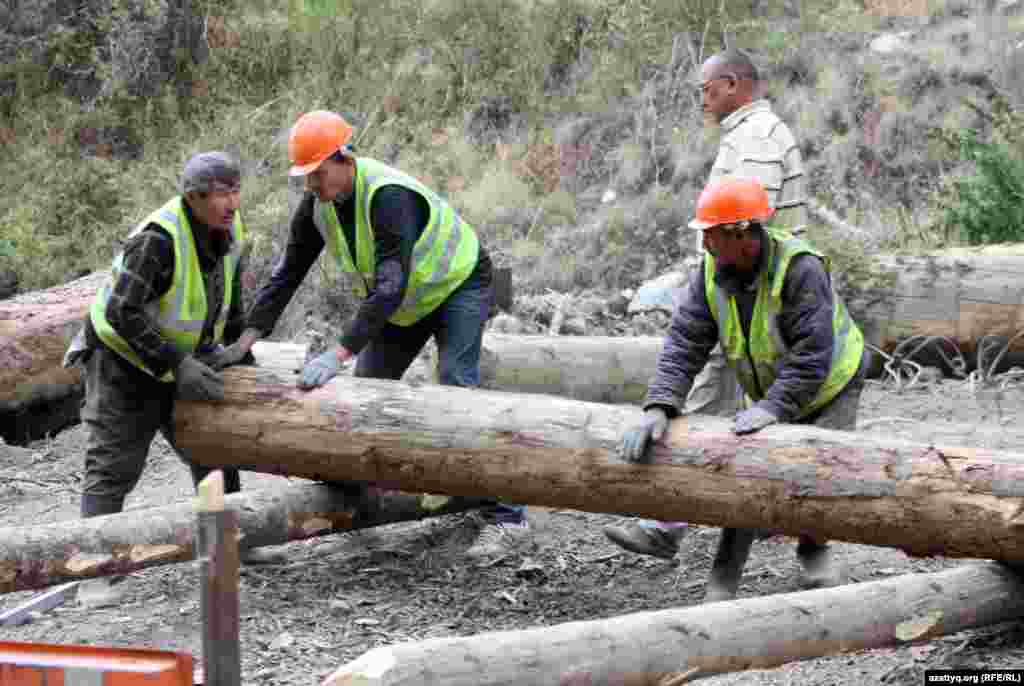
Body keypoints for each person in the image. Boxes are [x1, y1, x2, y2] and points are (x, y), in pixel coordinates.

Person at [228, 110, 529, 558]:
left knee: (456, 387)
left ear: (342, 157)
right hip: (406, 301)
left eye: (317, 173)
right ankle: (358, 485)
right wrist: (243, 343)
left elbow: (390, 285)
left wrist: (338, 353)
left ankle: (508, 516)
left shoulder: (388, 198)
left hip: (458, 285)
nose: (311, 184)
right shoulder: (317, 208)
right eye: (305, 176)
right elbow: (286, 275)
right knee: (368, 391)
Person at [618, 176, 868, 602]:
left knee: (817, 469)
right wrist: (660, 404)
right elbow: (685, 340)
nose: (706, 246)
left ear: (742, 235)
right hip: (778, 380)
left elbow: (812, 357)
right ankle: (723, 583)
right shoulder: (713, 270)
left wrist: (773, 407)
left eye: (711, 236)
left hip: (832, 381)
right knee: (745, 467)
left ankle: (814, 547)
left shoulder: (800, 270)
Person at [604, 48, 809, 559]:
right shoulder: (747, 134)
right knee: (719, 405)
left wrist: (715, 277)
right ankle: (703, 518)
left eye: (707, 87)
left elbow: (747, 223)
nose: (703, 97)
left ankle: (675, 521)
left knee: (704, 406)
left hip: (751, 294)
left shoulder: (758, 138)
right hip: (740, 290)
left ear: (734, 85)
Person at [66, 151, 282, 606]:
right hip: (122, 359)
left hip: (184, 351)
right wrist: (176, 365)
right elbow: (118, 311)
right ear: (194, 197)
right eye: (222, 194)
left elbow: (227, 292)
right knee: (113, 465)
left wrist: (237, 352)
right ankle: (93, 571)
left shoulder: (229, 229)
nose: (232, 202)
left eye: (236, 190)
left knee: (216, 447)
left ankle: (232, 542)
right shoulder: (158, 240)